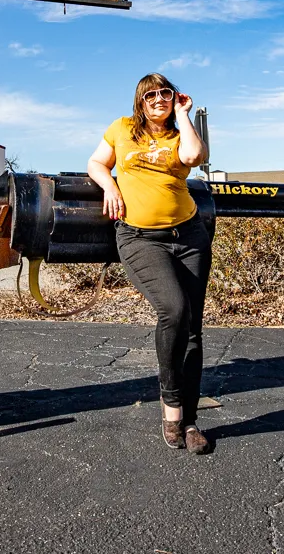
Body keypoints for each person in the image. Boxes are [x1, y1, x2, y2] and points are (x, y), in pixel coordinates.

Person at [87, 72, 214, 454]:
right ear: (139, 101)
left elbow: (193, 157)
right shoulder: (122, 128)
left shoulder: (179, 136)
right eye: (151, 95)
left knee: (193, 328)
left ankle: (190, 422)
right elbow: (96, 163)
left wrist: (184, 114)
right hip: (140, 237)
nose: (158, 99)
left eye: (166, 93)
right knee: (173, 311)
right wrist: (110, 185)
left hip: (189, 235)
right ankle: (170, 409)